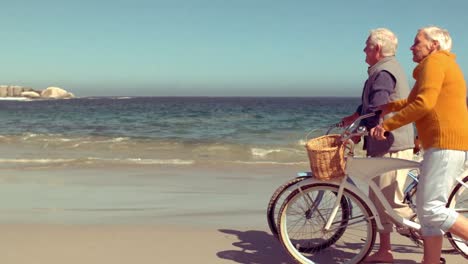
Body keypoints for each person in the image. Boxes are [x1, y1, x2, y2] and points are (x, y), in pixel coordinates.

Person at [371, 26, 468, 264]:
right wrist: (389, 107)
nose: (411, 47)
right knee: (427, 215)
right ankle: (431, 261)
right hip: (441, 144)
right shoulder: (435, 65)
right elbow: (413, 100)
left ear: (433, 45)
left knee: (433, 209)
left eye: (417, 42)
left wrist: (387, 126)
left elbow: (423, 104)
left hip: (445, 144)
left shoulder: (436, 63)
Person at [341, 28, 415, 263]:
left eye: (367, 46)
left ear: (377, 49)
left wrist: (356, 134)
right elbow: (371, 105)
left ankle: (440, 231)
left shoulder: (383, 72)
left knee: (392, 204)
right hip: (384, 145)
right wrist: (354, 118)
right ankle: (385, 251)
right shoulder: (383, 70)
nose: (364, 50)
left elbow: (378, 108)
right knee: (378, 202)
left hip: (391, 145)